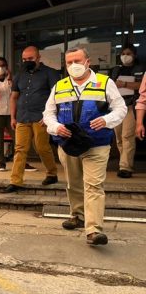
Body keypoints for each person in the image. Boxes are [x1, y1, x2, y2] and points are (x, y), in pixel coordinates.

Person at [43, 47, 126, 246]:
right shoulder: (60, 86)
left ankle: (93, 230)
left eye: (77, 60)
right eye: (69, 62)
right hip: (68, 144)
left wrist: (106, 120)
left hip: (96, 143)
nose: (74, 65)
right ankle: (78, 216)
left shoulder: (105, 83)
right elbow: (48, 114)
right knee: (74, 183)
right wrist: (55, 127)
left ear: (88, 62)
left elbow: (121, 108)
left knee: (94, 185)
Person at [3, 46, 61, 193]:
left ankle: (52, 173)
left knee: (41, 147)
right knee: (20, 149)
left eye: (30, 59)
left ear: (38, 57)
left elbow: (57, 97)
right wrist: (12, 117)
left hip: (41, 117)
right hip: (22, 116)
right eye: (24, 59)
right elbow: (14, 97)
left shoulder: (50, 73)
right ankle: (15, 181)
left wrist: (50, 116)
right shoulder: (19, 75)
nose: (27, 61)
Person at [108, 43, 143, 178]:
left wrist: (125, 84)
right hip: (117, 106)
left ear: (134, 55)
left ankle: (125, 167)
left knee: (127, 136)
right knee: (119, 138)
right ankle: (124, 161)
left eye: (128, 54)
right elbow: (110, 85)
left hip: (131, 106)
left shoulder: (140, 68)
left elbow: (141, 86)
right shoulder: (116, 70)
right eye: (123, 54)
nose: (125, 56)